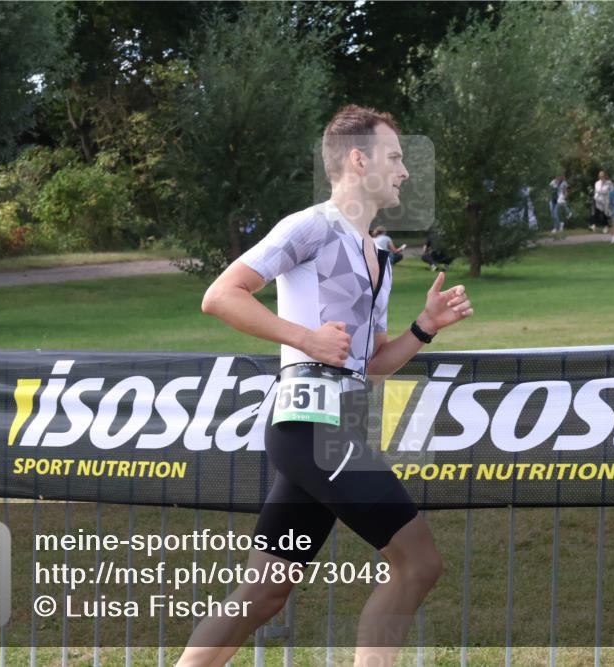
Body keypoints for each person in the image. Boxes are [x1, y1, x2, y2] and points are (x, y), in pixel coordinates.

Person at [187, 104, 474, 667]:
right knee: (418, 563)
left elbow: (371, 364)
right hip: (313, 430)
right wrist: (305, 340)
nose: (405, 171)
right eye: (395, 157)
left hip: (330, 433)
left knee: (264, 592)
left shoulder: (379, 253)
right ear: (358, 159)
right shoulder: (311, 226)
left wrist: (424, 328)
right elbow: (220, 295)